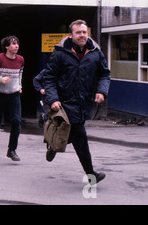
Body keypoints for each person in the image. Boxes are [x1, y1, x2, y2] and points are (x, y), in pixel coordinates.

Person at [43, 20, 110, 183]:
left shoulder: (95, 52)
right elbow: (49, 77)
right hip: (64, 102)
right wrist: (53, 99)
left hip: (83, 102)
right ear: (70, 35)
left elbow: (104, 74)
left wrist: (102, 90)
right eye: (78, 33)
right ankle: (91, 175)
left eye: (84, 32)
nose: (82, 35)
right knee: (80, 137)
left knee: (71, 133)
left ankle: (53, 144)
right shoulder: (60, 53)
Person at [0, 35, 24, 161]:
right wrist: (0, 79)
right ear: (7, 46)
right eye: (13, 43)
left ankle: (12, 150)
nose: (16, 45)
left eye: (17, 43)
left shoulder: (21, 59)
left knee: (17, 121)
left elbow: (20, 73)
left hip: (14, 94)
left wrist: (19, 85)